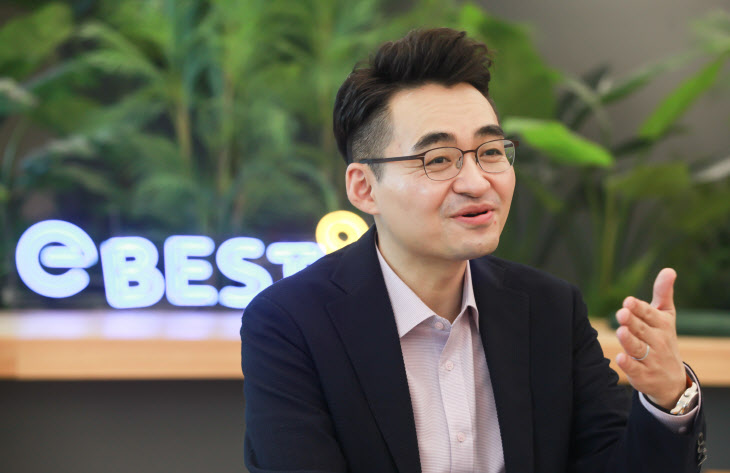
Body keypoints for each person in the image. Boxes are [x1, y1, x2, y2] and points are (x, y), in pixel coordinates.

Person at [240, 28, 706, 473]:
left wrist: (668, 397)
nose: (477, 182)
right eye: (438, 159)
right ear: (364, 188)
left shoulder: (549, 310)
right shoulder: (292, 323)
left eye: (491, 151)